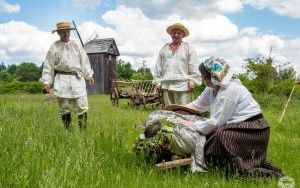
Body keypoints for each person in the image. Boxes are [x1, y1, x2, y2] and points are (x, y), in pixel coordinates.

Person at [182, 57, 282, 176]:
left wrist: (192, 124)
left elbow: (216, 123)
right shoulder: (212, 88)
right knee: (212, 134)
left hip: (254, 129)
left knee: (220, 135)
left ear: (212, 77)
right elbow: (197, 105)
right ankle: (218, 162)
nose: (202, 78)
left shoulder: (228, 91)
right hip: (238, 125)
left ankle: (238, 164)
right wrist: (176, 111)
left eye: (203, 76)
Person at [40, 21, 95, 130]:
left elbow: (84, 61)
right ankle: (68, 134)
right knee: (64, 108)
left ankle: (83, 133)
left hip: (77, 79)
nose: (66, 34)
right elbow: (48, 65)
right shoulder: (54, 47)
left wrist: (89, 75)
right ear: (58, 33)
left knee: (82, 106)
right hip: (62, 80)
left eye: (68, 31)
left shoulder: (77, 45)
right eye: (63, 32)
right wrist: (46, 82)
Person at [153, 23, 200, 107]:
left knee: (182, 111)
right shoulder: (164, 48)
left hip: (182, 85)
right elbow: (158, 66)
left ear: (183, 35)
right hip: (166, 85)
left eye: (179, 33)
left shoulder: (188, 48)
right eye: (174, 33)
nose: (176, 35)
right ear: (171, 34)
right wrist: (157, 82)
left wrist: (193, 81)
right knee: (169, 111)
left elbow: (194, 66)